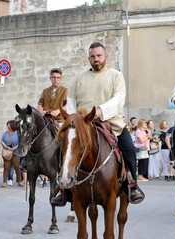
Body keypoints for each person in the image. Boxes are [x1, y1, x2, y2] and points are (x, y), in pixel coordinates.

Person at [53, 42, 144, 204]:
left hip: (111, 123)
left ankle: (131, 183)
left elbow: (118, 99)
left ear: (106, 57)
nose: (96, 59)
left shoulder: (116, 76)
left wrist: (100, 111)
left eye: (99, 55)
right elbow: (72, 102)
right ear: (89, 59)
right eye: (93, 56)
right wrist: (76, 120)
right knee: (63, 148)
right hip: (83, 126)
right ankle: (63, 187)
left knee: (128, 148)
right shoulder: (79, 79)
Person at [37, 68, 68, 188]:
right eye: (54, 77)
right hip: (46, 120)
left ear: (61, 79)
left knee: (65, 140)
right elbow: (40, 103)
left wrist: (57, 111)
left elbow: (66, 105)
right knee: (34, 135)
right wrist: (41, 111)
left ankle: (64, 164)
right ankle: (28, 162)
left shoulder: (64, 90)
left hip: (59, 120)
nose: (56, 80)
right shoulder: (45, 91)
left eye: (58, 78)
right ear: (50, 78)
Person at [1, 120, 24, 188]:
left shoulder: (18, 134)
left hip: (16, 153)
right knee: (6, 167)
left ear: (12, 126)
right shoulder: (5, 133)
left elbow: (19, 143)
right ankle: (4, 182)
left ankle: (19, 181)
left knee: (17, 167)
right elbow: (2, 141)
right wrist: (6, 147)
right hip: (7, 153)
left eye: (8, 125)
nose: (7, 126)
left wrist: (13, 149)